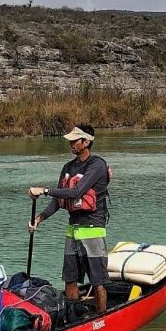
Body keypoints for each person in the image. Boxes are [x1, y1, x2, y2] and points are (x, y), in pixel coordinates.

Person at [28, 124, 111, 314]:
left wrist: (45, 190)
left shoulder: (97, 165)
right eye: (71, 140)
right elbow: (59, 201)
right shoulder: (67, 167)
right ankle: (73, 317)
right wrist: (39, 219)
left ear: (86, 142)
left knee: (98, 280)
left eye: (75, 140)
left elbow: (76, 191)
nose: (71, 144)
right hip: (72, 230)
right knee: (70, 278)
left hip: (92, 229)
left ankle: (102, 317)